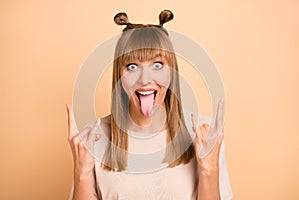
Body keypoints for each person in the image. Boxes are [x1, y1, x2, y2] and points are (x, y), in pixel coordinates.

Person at [67, 10, 233, 200]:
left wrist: (209, 170)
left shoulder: (205, 134)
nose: (145, 80)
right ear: (119, 76)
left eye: (157, 65)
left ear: (172, 72)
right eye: (132, 66)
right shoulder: (93, 137)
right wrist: (82, 173)